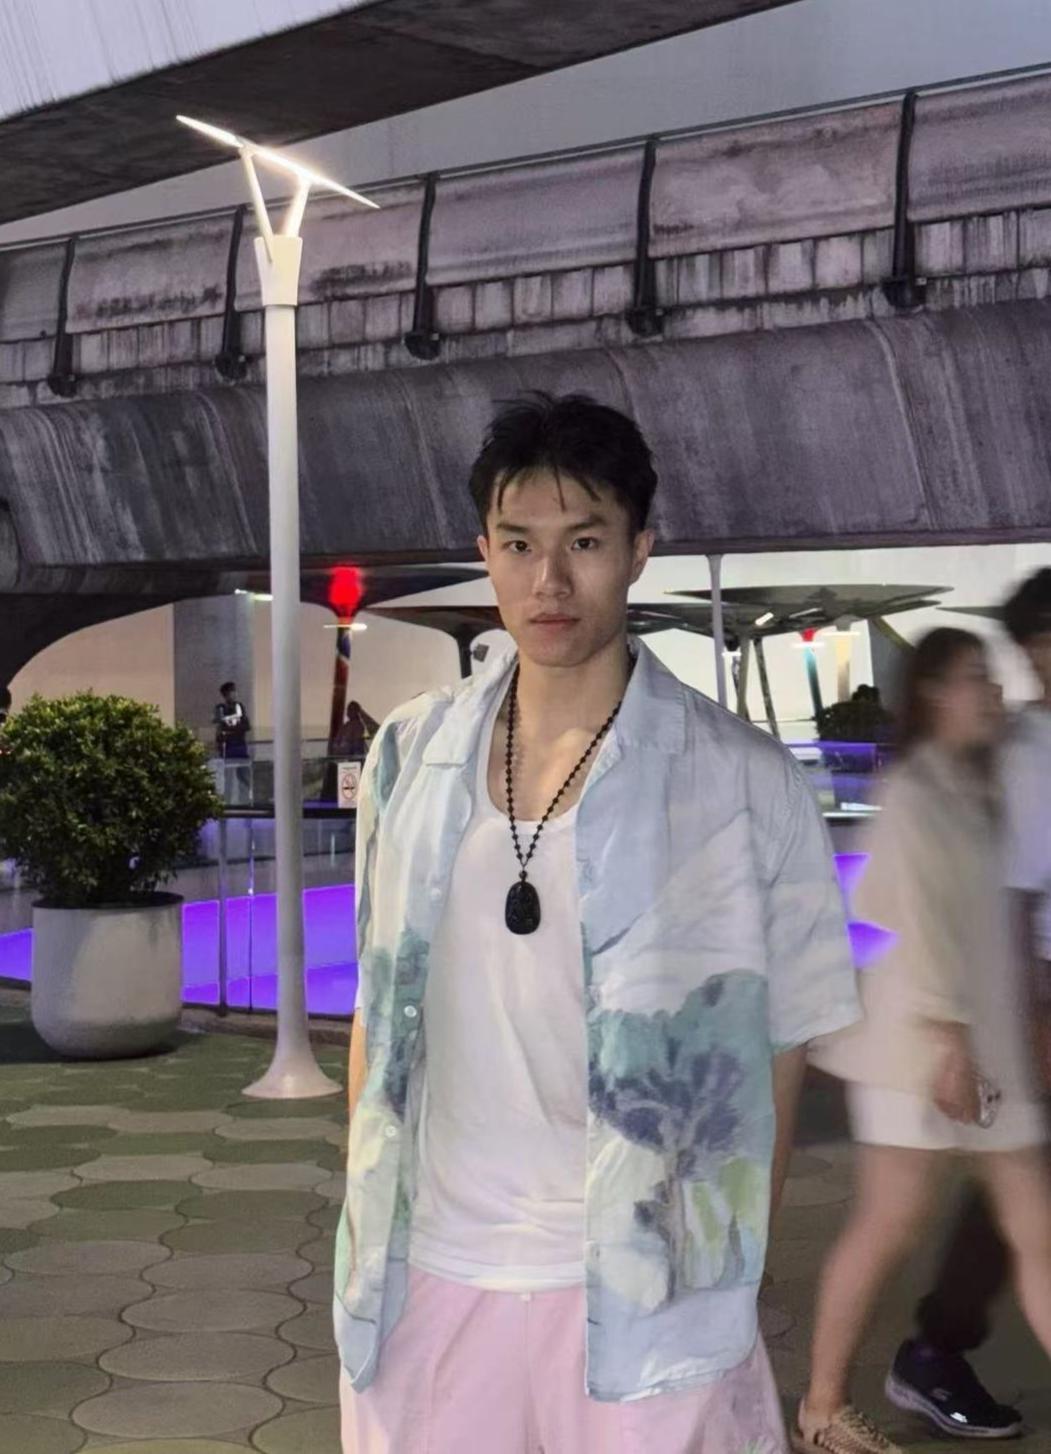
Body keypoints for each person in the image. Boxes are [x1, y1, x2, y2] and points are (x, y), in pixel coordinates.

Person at [336, 392, 859, 1454]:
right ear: (484, 552)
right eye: (519, 543)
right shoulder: (407, 757)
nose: (549, 580)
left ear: (637, 551)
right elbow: (376, 1009)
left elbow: (782, 1044)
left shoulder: (740, 780)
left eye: (583, 542)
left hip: (650, 1290)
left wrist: (723, 1263)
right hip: (431, 1274)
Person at [797, 628, 1051, 1454]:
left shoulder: (971, 786)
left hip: (982, 1051)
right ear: (935, 693)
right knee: (887, 1226)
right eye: (976, 677)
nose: (993, 691)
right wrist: (949, 1039)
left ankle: (826, 1405)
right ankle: (822, 1406)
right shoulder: (914, 794)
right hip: (922, 1051)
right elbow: (908, 914)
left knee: (1034, 1232)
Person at [885, 569, 1051, 1439]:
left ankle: (934, 1349)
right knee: (1014, 1193)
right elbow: (1013, 904)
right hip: (1039, 987)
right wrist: (1025, 1027)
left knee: (1019, 1192)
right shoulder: (1023, 756)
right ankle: (934, 1348)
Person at [213, 680, 251, 801]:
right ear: (226, 694)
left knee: (244, 777)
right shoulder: (220, 708)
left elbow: (246, 726)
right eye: (232, 691)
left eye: (235, 691)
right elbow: (221, 727)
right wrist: (231, 729)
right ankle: (226, 803)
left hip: (240, 748)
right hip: (227, 749)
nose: (234, 694)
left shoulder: (239, 707)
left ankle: (245, 802)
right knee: (227, 779)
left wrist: (231, 729)